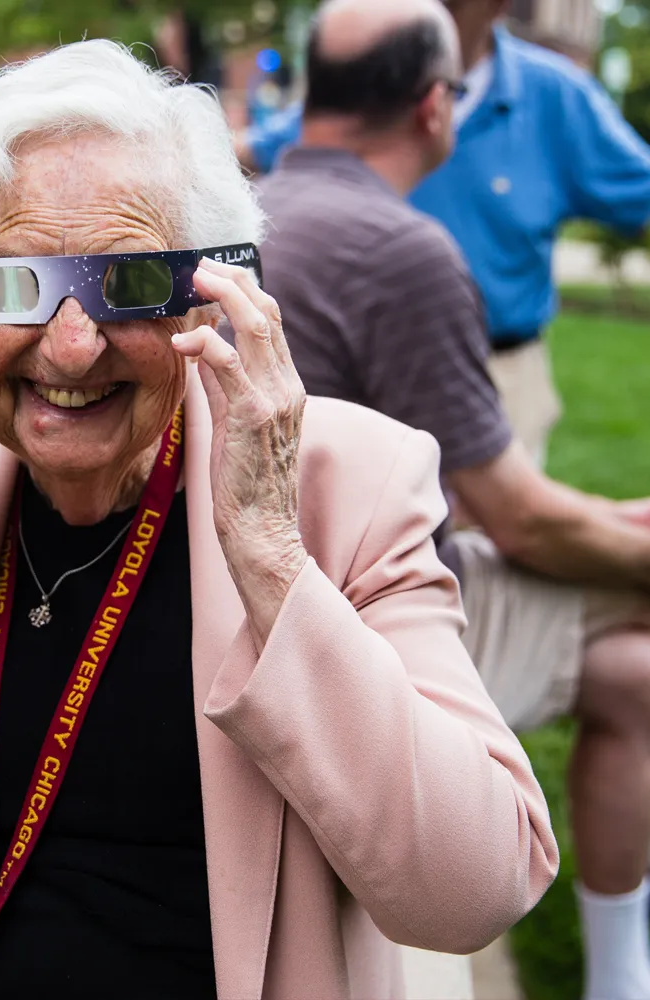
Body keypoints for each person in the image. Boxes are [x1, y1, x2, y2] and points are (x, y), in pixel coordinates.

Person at [0, 40, 556, 1000]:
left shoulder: (350, 484)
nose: (72, 351)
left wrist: (271, 555)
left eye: (128, 283)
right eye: (18, 283)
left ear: (211, 295)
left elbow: (473, 893)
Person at [255, 2, 650, 998]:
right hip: (359, 616)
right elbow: (515, 518)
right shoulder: (398, 246)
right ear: (437, 109)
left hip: (291, 582)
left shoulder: (263, 207)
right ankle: (616, 976)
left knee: (631, 673)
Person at [411, 0, 650, 463]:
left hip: (501, 379)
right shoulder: (366, 73)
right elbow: (268, 154)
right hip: (371, 371)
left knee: (499, 532)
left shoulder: (556, 94)